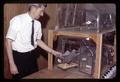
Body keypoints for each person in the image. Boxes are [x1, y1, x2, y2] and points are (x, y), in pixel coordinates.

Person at [5, 4, 62, 79]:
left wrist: (53, 52)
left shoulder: (38, 24)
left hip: (32, 57)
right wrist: (12, 64)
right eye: (41, 11)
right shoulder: (17, 20)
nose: (42, 14)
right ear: (33, 8)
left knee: (34, 76)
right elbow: (8, 42)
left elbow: (38, 41)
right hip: (19, 58)